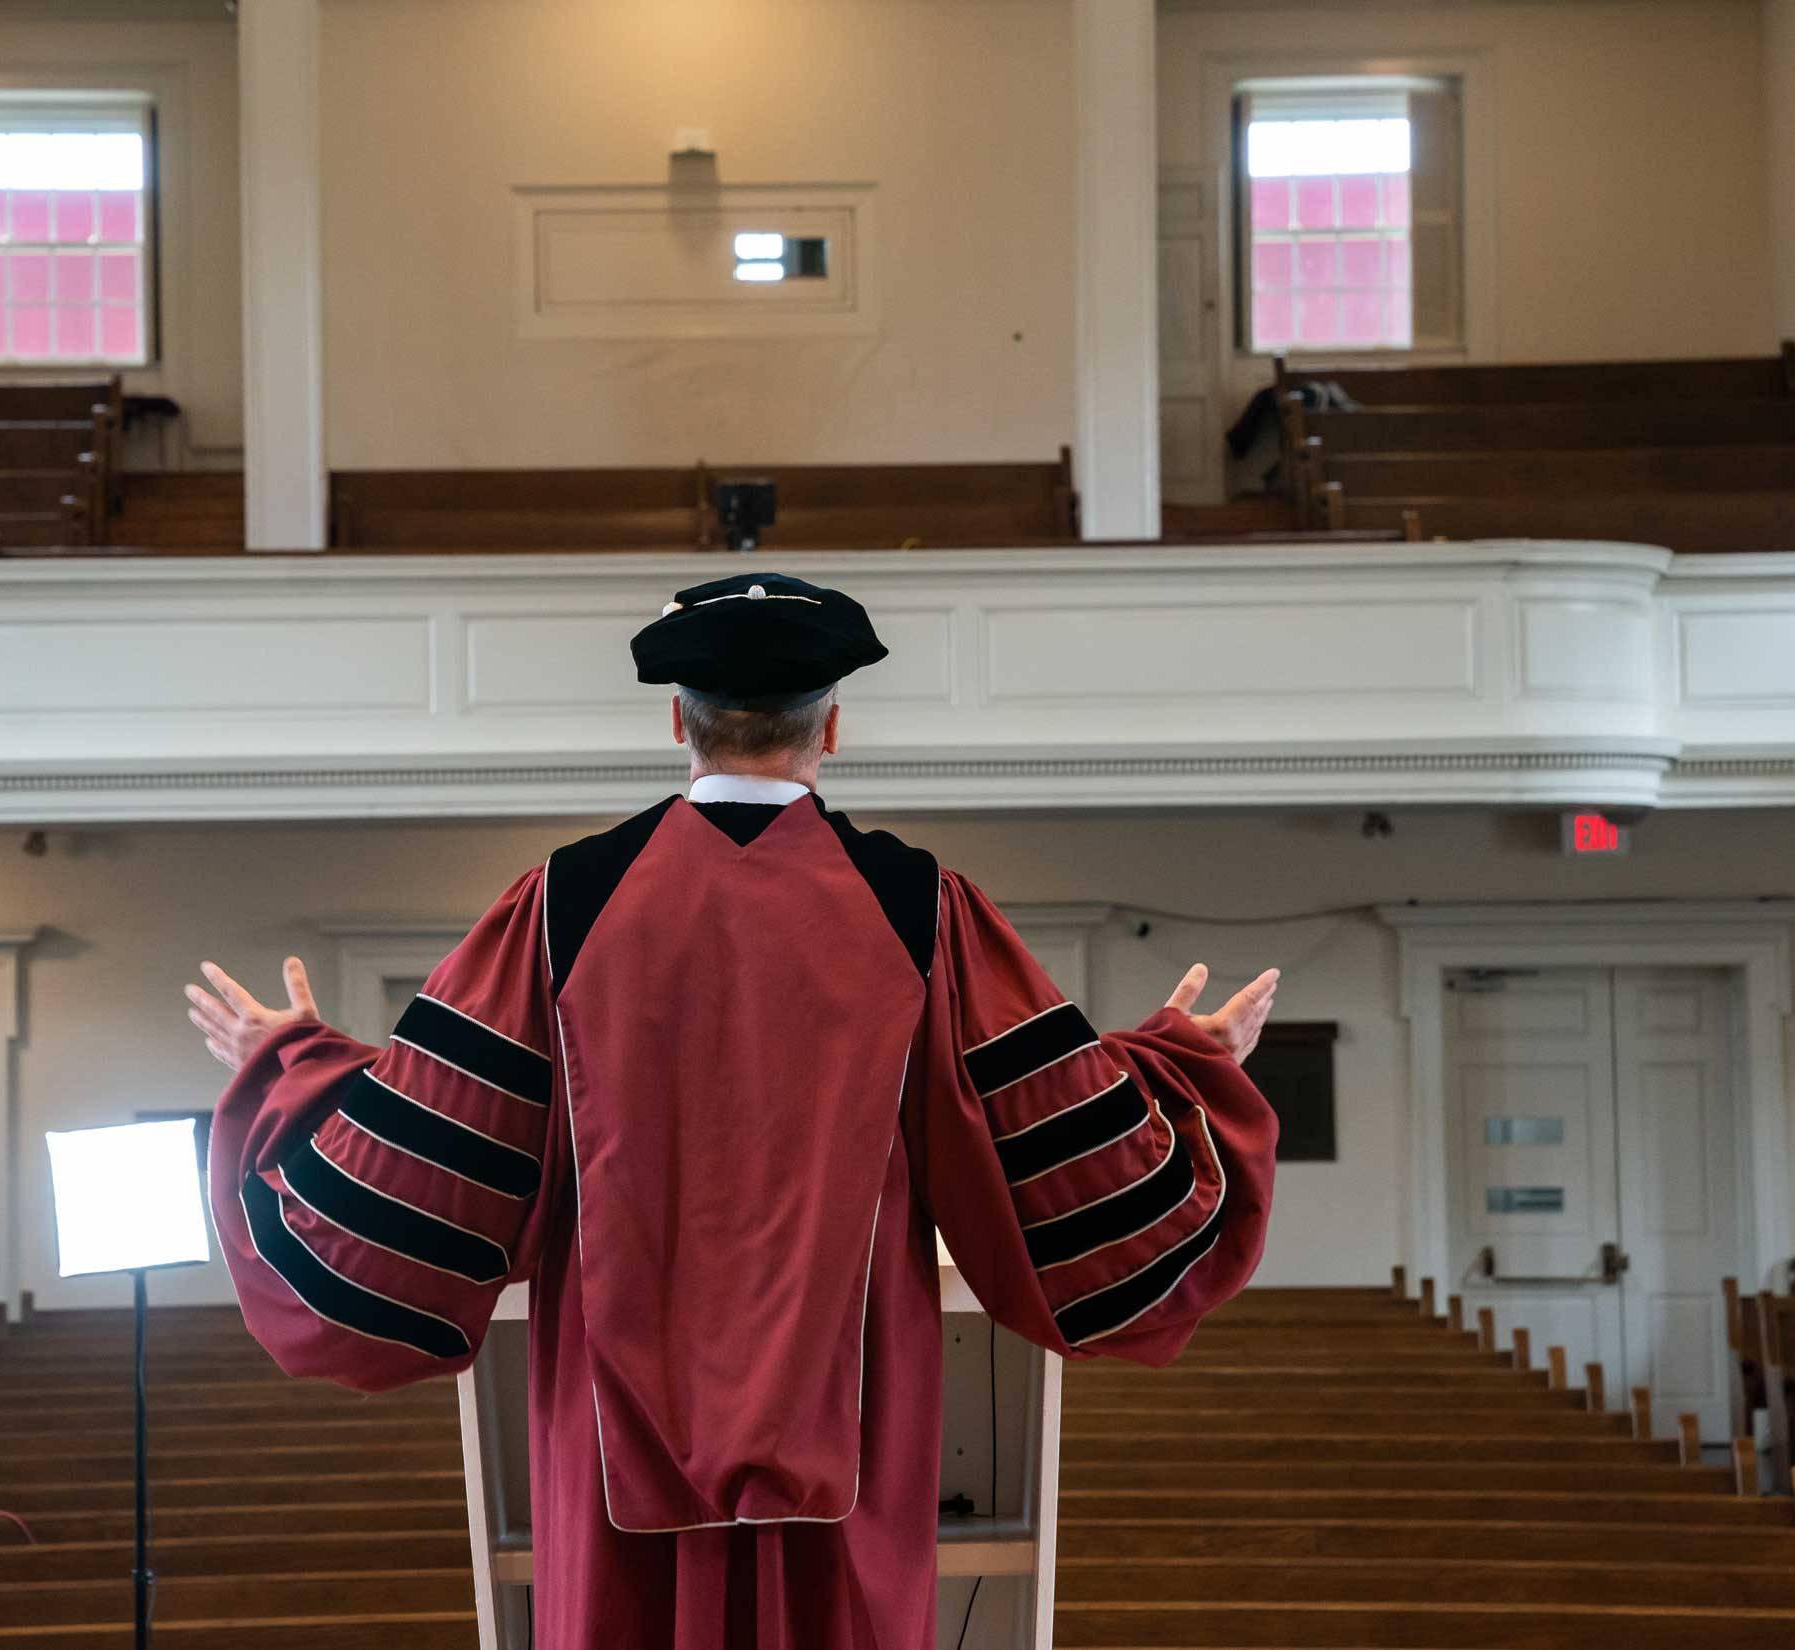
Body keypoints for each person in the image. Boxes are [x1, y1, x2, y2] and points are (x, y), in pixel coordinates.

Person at [185, 571, 1280, 1650]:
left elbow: (439, 1134)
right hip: (853, 1406)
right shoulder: (919, 909)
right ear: (831, 727)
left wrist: (290, 1063)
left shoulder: (563, 902)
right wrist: (1190, 1065)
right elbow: (1043, 1133)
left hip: (613, 1421)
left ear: (678, 721)